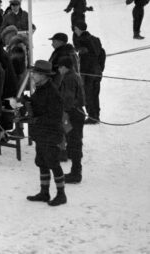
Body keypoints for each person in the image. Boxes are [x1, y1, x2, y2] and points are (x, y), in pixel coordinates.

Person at [24, 60, 67, 207]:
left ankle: (61, 195)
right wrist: (26, 101)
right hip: (41, 133)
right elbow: (37, 105)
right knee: (42, 162)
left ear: (43, 75)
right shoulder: (40, 88)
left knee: (53, 163)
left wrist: (35, 119)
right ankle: (44, 192)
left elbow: (54, 116)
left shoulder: (52, 93)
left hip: (51, 134)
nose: (33, 75)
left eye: (35, 73)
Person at [56, 56, 86, 184]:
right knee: (75, 142)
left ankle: (76, 173)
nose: (58, 70)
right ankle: (76, 170)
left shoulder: (68, 78)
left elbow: (68, 97)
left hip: (72, 113)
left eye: (60, 67)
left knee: (74, 143)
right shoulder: (75, 75)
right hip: (77, 112)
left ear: (64, 67)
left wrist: (63, 110)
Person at [73, 21, 106, 124]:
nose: (74, 31)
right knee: (95, 94)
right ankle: (96, 116)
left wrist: (81, 72)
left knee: (88, 94)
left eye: (75, 29)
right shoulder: (95, 39)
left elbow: (83, 57)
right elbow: (102, 53)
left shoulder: (82, 40)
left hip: (88, 72)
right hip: (97, 71)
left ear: (79, 29)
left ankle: (92, 116)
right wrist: (100, 68)